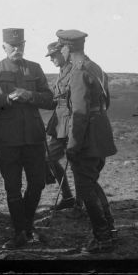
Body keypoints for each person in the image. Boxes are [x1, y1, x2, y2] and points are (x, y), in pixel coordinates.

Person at [0, 28, 53, 249]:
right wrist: (8, 98)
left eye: (20, 45)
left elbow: (50, 100)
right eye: (12, 46)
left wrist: (30, 95)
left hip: (33, 136)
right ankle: (20, 231)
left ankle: (26, 226)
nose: (17, 49)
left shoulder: (35, 68)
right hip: (6, 139)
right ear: (4, 47)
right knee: (12, 187)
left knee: (38, 183)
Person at [56, 29, 117, 254]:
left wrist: (72, 146)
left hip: (87, 137)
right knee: (91, 182)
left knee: (85, 187)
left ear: (66, 48)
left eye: (60, 46)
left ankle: (102, 238)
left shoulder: (78, 73)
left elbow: (79, 114)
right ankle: (110, 229)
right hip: (101, 132)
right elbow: (106, 102)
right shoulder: (96, 67)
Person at [44, 41, 80, 211]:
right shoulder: (61, 72)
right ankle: (67, 196)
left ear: (62, 53)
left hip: (70, 121)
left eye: (53, 55)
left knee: (76, 163)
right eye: (50, 56)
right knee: (50, 158)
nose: (51, 59)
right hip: (59, 122)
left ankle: (78, 201)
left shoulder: (74, 71)